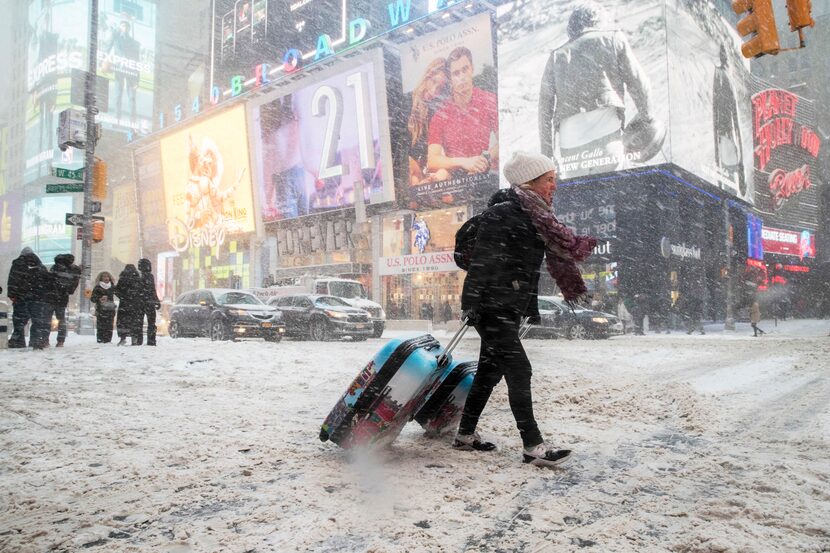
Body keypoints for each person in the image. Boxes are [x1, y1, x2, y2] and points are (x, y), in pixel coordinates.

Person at [455, 151, 596, 467]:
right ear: (530, 182)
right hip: (491, 307)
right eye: (549, 179)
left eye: (554, 179)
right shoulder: (503, 214)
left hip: (507, 305)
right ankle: (532, 444)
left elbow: (522, 269)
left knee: (490, 371)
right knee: (520, 369)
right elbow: (483, 261)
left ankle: (464, 435)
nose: (554, 186)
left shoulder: (535, 216)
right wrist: (472, 305)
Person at [539, 3, 658, 176]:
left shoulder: (556, 56)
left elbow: (544, 111)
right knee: (614, 193)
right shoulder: (613, 39)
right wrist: (647, 118)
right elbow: (639, 83)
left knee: (583, 197)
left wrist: (547, 155)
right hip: (607, 136)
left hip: (570, 145)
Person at [427, 47, 499, 179]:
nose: (462, 77)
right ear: (450, 78)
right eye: (456, 73)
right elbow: (432, 161)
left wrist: (484, 159)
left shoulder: (489, 100)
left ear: (472, 69)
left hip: (485, 174)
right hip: (455, 180)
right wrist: (465, 162)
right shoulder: (440, 115)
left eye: (465, 70)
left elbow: (503, 140)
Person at [406, 58, 451, 185]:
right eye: (433, 82)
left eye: (439, 89)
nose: (433, 91)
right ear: (427, 76)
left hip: (421, 175)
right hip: (406, 173)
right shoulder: (405, 103)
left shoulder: (434, 114)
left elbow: (431, 157)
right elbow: (402, 153)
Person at [713, 44, 745, 196]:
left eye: (725, 53)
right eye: (722, 53)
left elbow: (733, 104)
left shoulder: (729, 74)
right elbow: (716, 101)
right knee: (727, 160)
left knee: (734, 156)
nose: (724, 56)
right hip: (724, 127)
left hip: (731, 126)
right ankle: (728, 187)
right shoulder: (718, 73)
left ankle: (736, 186)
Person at [7, 247, 52, 349]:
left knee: (19, 320)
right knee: (37, 320)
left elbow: (12, 281)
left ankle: (18, 341)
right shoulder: (40, 266)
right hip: (37, 298)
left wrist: (12, 295)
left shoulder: (17, 265)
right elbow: (47, 281)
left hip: (21, 297)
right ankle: (35, 341)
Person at [105, 20, 141, 126]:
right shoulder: (116, 38)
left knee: (132, 98)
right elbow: (107, 47)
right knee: (118, 96)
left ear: (129, 28)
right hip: (119, 70)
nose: (124, 28)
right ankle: (116, 120)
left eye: (126, 26)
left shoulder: (133, 42)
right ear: (120, 27)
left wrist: (137, 79)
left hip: (130, 71)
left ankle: (132, 122)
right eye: (122, 26)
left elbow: (137, 60)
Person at [47, 254, 81, 347]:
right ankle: (60, 341)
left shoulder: (54, 269)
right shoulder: (70, 271)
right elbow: (71, 289)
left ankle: (45, 340)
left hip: (50, 298)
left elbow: (48, 283)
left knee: (47, 320)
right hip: (62, 299)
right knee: (61, 320)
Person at [114, 264, 143, 346]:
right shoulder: (137, 279)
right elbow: (141, 291)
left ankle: (123, 338)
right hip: (135, 305)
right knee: (134, 322)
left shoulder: (122, 279)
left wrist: (123, 297)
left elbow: (116, 290)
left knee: (123, 322)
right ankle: (134, 339)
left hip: (124, 304)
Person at [137, 258, 161, 346]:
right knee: (151, 323)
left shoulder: (139, 276)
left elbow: (152, 289)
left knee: (140, 322)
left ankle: (139, 340)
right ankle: (151, 340)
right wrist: (156, 300)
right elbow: (152, 289)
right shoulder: (149, 276)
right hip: (148, 302)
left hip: (142, 302)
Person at [90, 271, 117, 343]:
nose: (106, 278)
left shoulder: (112, 286)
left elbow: (119, 294)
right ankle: (100, 339)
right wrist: (99, 298)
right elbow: (92, 298)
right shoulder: (97, 287)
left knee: (109, 326)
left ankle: (108, 340)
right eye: (104, 276)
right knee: (100, 326)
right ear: (101, 278)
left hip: (110, 309)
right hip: (100, 309)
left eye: (107, 276)